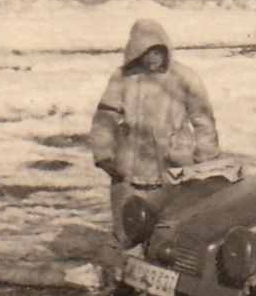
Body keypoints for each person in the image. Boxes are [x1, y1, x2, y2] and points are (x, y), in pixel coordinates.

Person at [90, 18, 219, 248]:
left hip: (173, 167)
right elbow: (104, 118)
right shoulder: (123, 78)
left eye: (156, 52)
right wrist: (104, 154)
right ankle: (125, 263)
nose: (151, 58)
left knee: (170, 227)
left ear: (165, 50)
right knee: (127, 224)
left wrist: (206, 159)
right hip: (129, 166)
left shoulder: (184, 78)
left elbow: (203, 120)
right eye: (145, 52)